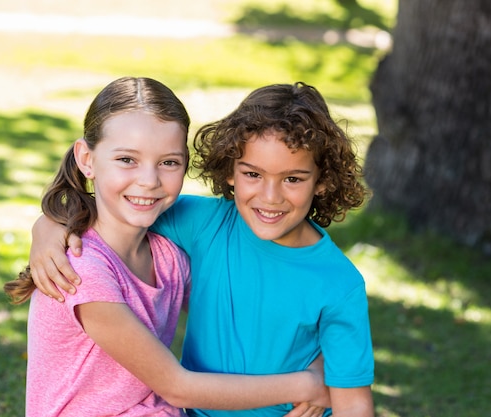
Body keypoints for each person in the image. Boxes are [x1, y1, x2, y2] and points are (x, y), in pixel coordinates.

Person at [30, 81, 374, 417]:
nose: (149, 181)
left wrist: (330, 363)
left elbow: (267, 309)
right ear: (230, 170)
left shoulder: (171, 247)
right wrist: (48, 227)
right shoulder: (87, 266)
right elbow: (177, 386)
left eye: (168, 163)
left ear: (322, 179)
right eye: (253, 174)